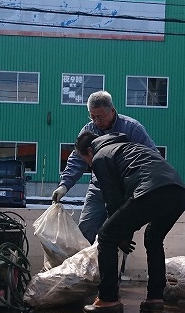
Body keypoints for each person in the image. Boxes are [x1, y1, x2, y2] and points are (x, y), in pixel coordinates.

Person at [74, 129, 185, 313]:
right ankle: (155, 298)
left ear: (89, 151)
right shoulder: (129, 147)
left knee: (106, 236)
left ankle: (107, 299)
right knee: (153, 238)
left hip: (151, 189)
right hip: (178, 192)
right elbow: (127, 205)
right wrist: (124, 234)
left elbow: (113, 200)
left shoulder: (101, 156)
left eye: (85, 159)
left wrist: (120, 235)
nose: (88, 164)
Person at [52, 90, 158, 242]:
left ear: (112, 111)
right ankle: (86, 258)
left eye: (100, 117)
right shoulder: (89, 130)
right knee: (86, 230)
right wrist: (64, 185)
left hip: (124, 191)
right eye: (92, 116)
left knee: (118, 235)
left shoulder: (132, 129)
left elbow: (151, 157)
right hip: (98, 188)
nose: (96, 121)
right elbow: (77, 159)